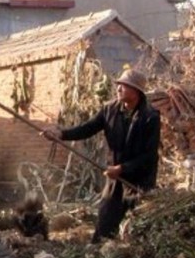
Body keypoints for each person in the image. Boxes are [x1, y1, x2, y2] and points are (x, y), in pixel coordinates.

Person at [42, 66, 160, 243]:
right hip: (115, 179)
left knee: (139, 229)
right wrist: (61, 134)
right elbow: (88, 128)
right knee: (105, 224)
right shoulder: (109, 110)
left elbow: (149, 155)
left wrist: (123, 168)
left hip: (139, 181)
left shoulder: (150, 117)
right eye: (118, 85)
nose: (118, 89)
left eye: (124, 86)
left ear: (136, 91)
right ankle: (97, 254)